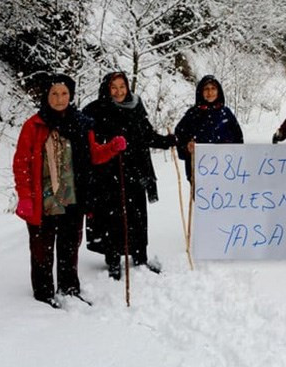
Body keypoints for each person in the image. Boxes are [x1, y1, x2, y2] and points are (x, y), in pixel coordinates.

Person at [13, 73, 125, 308]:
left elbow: (93, 154)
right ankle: (44, 295)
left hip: (72, 197)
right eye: (54, 93)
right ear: (46, 96)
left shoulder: (82, 123)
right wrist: (24, 196)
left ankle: (69, 289)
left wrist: (112, 148)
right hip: (42, 201)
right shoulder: (33, 125)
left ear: (71, 95)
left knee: (69, 247)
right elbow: (21, 163)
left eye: (64, 93)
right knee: (42, 250)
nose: (59, 98)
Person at [83, 71, 176, 279]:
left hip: (136, 170)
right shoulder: (97, 110)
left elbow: (147, 134)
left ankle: (140, 256)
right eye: (113, 87)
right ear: (107, 89)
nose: (118, 91)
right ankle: (113, 259)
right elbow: (89, 142)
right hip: (109, 173)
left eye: (122, 86)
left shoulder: (135, 106)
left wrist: (166, 141)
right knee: (112, 218)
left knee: (137, 216)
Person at [174, 75, 244, 182]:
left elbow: (238, 139)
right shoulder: (193, 114)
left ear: (218, 91)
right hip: (199, 172)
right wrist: (187, 147)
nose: (210, 93)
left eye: (213, 89)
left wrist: (233, 151)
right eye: (206, 89)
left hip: (225, 171)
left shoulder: (226, 113)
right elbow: (179, 136)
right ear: (200, 92)